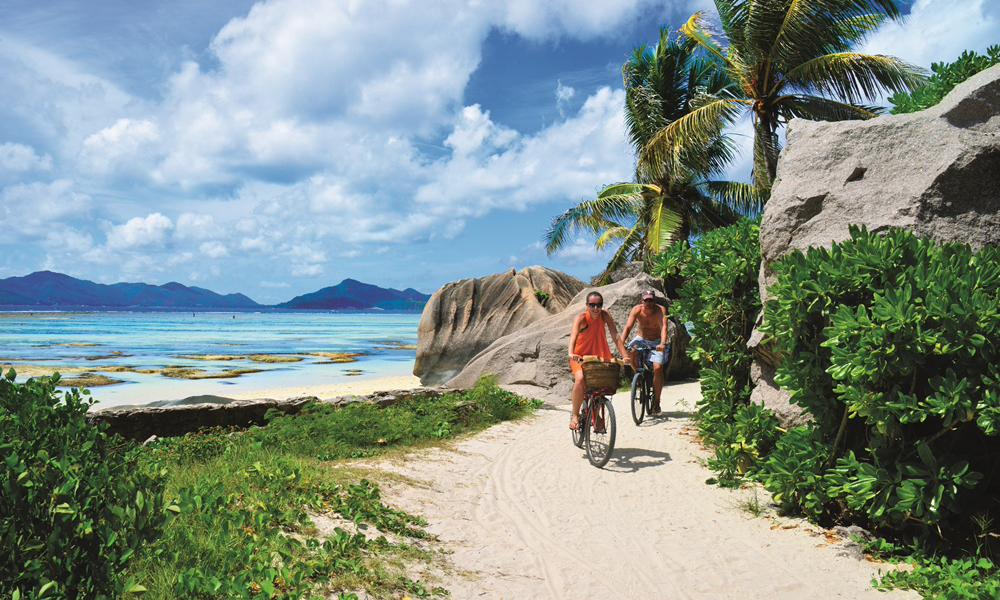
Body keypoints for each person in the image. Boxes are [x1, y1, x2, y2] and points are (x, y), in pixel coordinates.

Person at [568, 291, 629, 430]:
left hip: (599, 355)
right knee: (580, 379)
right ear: (586, 305)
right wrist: (571, 353)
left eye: (599, 305)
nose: (596, 308)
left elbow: (615, 335)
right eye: (592, 305)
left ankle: (595, 413)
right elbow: (573, 336)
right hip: (580, 356)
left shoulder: (605, 315)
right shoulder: (581, 317)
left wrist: (624, 355)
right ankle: (575, 416)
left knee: (602, 384)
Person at [619, 288, 670, 415]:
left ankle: (656, 401)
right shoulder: (637, 310)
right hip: (641, 339)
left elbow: (664, 327)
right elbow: (628, 327)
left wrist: (662, 343)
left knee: (658, 368)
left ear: (654, 300)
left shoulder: (660, 310)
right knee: (630, 352)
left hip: (656, 341)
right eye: (646, 300)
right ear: (642, 301)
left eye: (651, 300)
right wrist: (621, 343)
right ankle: (638, 374)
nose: (649, 303)